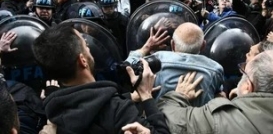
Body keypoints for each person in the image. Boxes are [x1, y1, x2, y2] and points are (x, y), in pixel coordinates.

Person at [32, 23, 170, 134]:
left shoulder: (52, 110)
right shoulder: (118, 111)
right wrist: (146, 95)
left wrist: (129, 97)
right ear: (82, 61)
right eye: (85, 44)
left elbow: (86, 106)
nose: (88, 47)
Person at [157, 43, 273, 134]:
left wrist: (178, 95)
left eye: (244, 70)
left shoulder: (221, 120)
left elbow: (171, 119)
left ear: (247, 87)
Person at [126, 22, 224, 106]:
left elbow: (127, 66)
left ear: (172, 44)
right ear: (203, 45)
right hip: (199, 125)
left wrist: (146, 47)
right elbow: (218, 93)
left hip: (159, 122)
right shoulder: (216, 69)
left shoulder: (157, 59)